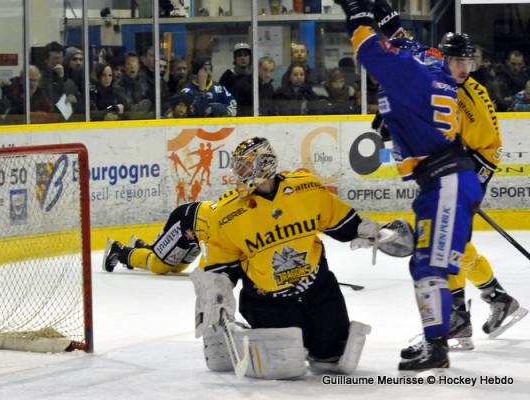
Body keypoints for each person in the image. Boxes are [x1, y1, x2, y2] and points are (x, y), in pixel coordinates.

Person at [335, 0, 484, 371]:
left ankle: (438, 346)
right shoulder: (433, 70)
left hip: (446, 181)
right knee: (427, 265)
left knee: (429, 266)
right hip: (445, 181)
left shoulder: (410, 73)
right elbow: (405, 44)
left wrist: (358, 13)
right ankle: (437, 342)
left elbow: (370, 49)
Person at [191, 137, 415, 378]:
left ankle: (321, 338)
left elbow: (344, 223)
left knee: (331, 359)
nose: (240, 173)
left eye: (246, 166)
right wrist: (216, 296)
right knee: (283, 368)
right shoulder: (226, 214)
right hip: (268, 304)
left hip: (318, 295)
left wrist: (376, 233)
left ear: (264, 163)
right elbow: (220, 267)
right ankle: (231, 337)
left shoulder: (306, 189)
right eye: (239, 167)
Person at [432, 32, 526, 350]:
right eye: (458, 61)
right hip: (455, 167)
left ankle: (460, 319)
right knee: (450, 242)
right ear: (443, 59)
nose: (464, 68)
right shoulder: (440, 81)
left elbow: (486, 149)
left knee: (447, 243)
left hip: (473, 168)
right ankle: (498, 299)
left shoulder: (472, 99)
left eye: (468, 62)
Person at [104, 201, 211, 275]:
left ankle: (144, 248)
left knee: (179, 267)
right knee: (160, 266)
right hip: (187, 223)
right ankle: (120, 251)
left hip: (200, 230)